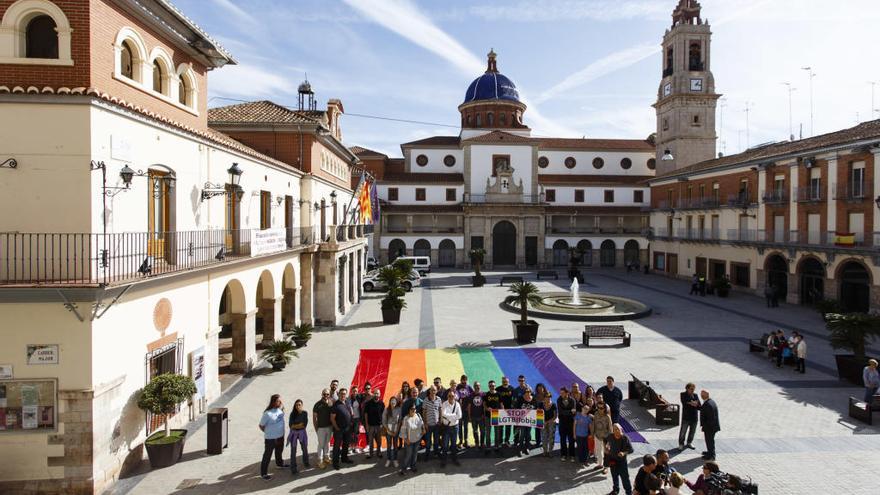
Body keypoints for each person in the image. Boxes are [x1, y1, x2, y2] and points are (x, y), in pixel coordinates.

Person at [259, 394, 287, 480]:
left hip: (280, 437)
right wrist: (268, 432)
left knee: (279, 452)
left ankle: (279, 464)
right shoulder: (267, 414)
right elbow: (261, 425)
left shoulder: (279, 410)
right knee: (267, 455)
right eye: (279, 401)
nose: (281, 402)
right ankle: (263, 473)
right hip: (271, 439)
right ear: (274, 402)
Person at [605, 423, 633, 495]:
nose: (617, 431)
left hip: (622, 462)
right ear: (613, 431)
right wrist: (607, 447)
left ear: (621, 429)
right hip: (612, 460)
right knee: (614, 476)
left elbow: (631, 450)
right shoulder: (610, 436)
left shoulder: (625, 438)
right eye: (615, 429)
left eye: (618, 429)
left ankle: (628, 492)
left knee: (625, 478)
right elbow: (606, 442)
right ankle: (615, 490)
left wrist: (623, 453)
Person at [398, 404, 425, 475]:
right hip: (409, 441)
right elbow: (403, 430)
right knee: (408, 455)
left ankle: (413, 466)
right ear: (409, 410)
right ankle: (404, 468)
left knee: (415, 454)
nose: (413, 410)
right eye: (412, 409)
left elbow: (422, 424)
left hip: (417, 439)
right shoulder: (406, 419)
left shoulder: (418, 416)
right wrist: (406, 440)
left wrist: (423, 430)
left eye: (414, 409)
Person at [330, 388, 353, 470]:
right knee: (337, 446)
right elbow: (332, 418)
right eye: (341, 393)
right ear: (338, 394)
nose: (343, 395)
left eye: (344, 394)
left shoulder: (346, 402)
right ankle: (335, 463)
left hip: (347, 429)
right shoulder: (336, 405)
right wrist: (336, 428)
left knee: (346, 444)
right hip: (339, 430)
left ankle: (344, 458)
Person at [440, 389, 462, 466]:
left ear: (455, 396)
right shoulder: (444, 404)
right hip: (446, 427)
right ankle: (444, 460)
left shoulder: (457, 404)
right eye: (449, 396)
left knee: (453, 444)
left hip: (455, 427)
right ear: (447, 396)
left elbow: (459, 416)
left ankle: (454, 459)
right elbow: (443, 414)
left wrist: (449, 416)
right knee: (445, 445)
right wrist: (453, 416)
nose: (451, 397)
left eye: (452, 396)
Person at [312, 389, 333, 469]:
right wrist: (316, 429)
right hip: (321, 428)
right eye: (324, 394)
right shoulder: (317, 404)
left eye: (327, 394)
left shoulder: (331, 403)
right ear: (322, 394)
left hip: (329, 427)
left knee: (327, 443)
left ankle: (326, 457)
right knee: (321, 444)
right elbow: (314, 418)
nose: (326, 396)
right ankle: (319, 460)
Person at [287, 399, 309, 474]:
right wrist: (298, 425)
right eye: (296, 405)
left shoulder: (305, 413)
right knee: (293, 451)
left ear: (302, 405)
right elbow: (290, 425)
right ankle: (293, 468)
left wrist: (295, 426)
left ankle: (306, 462)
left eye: (299, 404)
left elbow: (304, 425)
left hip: (302, 433)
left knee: (304, 448)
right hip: (293, 434)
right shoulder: (292, 414)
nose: (298, 406)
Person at [422, 387, 442, 460]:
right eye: (432, 390)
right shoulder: (426, 400)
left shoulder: (439, 399)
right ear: (429, 391)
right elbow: (424, 412)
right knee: (428, 441)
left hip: (436, 424)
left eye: (434, 390)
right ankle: (427, 454)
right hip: (429, 425)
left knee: (436, 440)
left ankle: (436, 453)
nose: (433, 391)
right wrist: (425, 423)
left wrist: (440, 420)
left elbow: (440, 410)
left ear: (436, 391)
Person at [364, 389, 385, 459]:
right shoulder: (368, 403)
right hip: (370, 425)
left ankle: (379, 453)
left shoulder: (382, 403)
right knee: (371, 441)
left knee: (379, 441)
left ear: (379, 394)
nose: (376, 395)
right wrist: (366, 424)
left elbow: (383, 414)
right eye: (375, 393)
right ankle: (371, 454)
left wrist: (383, 424)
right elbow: (366, 414)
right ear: (373, 394)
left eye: (377, 393)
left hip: (379, 425)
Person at [557, 387, 577, 462]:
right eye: (561, 393)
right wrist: (569, 412)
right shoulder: (559, 399)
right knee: (562, 440)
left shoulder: (572, 400)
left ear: (567, 393)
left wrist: (566, 412)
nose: (561, 394)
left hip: (570, 423)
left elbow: (574, 411)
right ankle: (563, 455)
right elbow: (560, 411)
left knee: (571, 440)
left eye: (562, 393)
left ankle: (572, 455)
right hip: (562, 422)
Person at [515, 389, 537, 457]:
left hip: (530, 420)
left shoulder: (534, 399)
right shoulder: (520, 399)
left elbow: (536, 408)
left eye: (529, 392)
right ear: (524, 393)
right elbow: (516, 409)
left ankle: (527, 448)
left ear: (531, 393)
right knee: (522, 435)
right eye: (526, 392)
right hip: (522, 420)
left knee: (528, 434)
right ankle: (520, 449)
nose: (527, 393)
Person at [678, 383, 700, 450]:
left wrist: (693, 403)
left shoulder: (695, 395)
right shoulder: (683, 394)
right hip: (686, 417)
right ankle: (681, 444)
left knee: (692, 431)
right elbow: (685, 402)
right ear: (687, 388)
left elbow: (699, 405)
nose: (692, 390)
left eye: (693, 389)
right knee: (683, 432)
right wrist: (692, 403)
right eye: (691, 389)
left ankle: (689, 442)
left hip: (694, 417)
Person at [699, 390, 720, 460]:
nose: (701, 396)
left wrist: (705, 426)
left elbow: (710, 418)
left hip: (710, 428)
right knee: (710, 441)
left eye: (702, 395)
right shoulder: (711, 402)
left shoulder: (708, 404)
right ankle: (710, 452)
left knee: (709, 441)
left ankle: (711, 455)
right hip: (713, 427)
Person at [592, 404, 612, 474]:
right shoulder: (596, 414)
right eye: (598, 407)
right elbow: (594, 424)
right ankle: (600, 464)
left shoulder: (607, 417)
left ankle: (606, 467)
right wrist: (592, 433)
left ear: (604, 408)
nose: (600, 409)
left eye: (602, 408)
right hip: (597, 435)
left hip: (605, 437)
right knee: (598, 450)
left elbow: (610, 428)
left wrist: (610, 439)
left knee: (606, 452)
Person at [484, 380, 503, 454]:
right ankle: (488, 447)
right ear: (489, 386)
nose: (492, 387)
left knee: (497, 432)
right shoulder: (486, 395)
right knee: (488, 432)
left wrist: (503, 412)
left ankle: (496, 447)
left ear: (495, 386)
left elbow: (501, 404)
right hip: (488, 416)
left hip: (496, 416)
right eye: (490, 386)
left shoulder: (498, 394)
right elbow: (484, 405)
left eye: (493, 386)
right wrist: (487, 408)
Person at [382, 396, 401, 468]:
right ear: (389, 402)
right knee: (389, 446)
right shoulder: (386, 410)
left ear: (396, 402)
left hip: (396, 430)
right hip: (388, 430)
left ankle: (395, 460)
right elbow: (384, 421)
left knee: (395, 446)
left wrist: (397, 430)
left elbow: (400, 421)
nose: (393, 402)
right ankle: (389, 459)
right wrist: (388, 430)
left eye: (394, 401)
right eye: (392, 401)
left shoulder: (399, 409)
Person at [456, 375, 474, 448]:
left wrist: (470, 406)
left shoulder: (469, 387)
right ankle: (460, 440)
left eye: (465, 380)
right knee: (459, 426)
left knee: (466, 426)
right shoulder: (458, 387)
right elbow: (455, 395)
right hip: (459, 410)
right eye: (463, 380)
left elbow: (473, 395)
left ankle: (466, 440)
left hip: (466, 410)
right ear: (461, 380)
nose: (464, 381)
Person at [496, 376, 514, 446]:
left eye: (506, 381)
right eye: (503, 381)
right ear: (502, 381)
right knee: (500, 427)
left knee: (508, 427)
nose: (505, 382)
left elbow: (514, 399)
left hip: (509, 411)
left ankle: (507, 440)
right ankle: (500, 441)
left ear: (508, 382)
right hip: (501, 411)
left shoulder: (512, 389)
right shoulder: (498, 389)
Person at [469, 382, 485, 451]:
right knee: (475, 431)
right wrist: (469, 416)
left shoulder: (483, 395)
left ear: (480, 386)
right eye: (475, 386)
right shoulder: (471, 395)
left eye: (478, 385)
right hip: (473, 417)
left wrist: (484, 414)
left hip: (481, 417)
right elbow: (469, 406)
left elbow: (484, 406)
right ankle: (477, 444)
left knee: (483, 431)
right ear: (473, 386)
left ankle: (482, 443)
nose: (477, 387)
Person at [539, 393, 557, 457]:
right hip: (542, 422)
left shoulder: (553, 405)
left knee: (551, 437)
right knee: (544, 437)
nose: (548, 398)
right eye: (546, 397)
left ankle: (550, 451)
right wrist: (543, 421)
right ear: (544, 397)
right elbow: (538, 413)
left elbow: (555, 416)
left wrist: (548, 421)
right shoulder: (541, 404)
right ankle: (545, 451)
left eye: (549, 397)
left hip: (551, 422)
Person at [348, 385, 362, 454]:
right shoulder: (348, 399)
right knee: (350, 433)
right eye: (353, 391)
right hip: (350, 418)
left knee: (356, 433)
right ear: (351, 391)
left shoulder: (359, 397)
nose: (355, 392)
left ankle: (356, 446)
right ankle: (351, 447)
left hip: (357, 418)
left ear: (357, 391)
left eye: (356, 391)